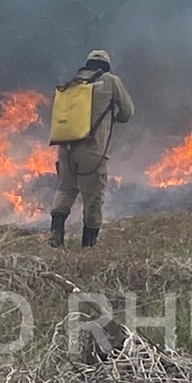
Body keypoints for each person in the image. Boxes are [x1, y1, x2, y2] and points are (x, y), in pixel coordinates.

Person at [49, 49, 134, 248]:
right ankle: (88, 246)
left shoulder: (73, 83)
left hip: (66, 148)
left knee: (66, 189)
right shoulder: (111, 81)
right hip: (92, 150)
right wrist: (112, 118)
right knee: (93, 197)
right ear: (106, 66)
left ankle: (55, 233)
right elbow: (128, 112)